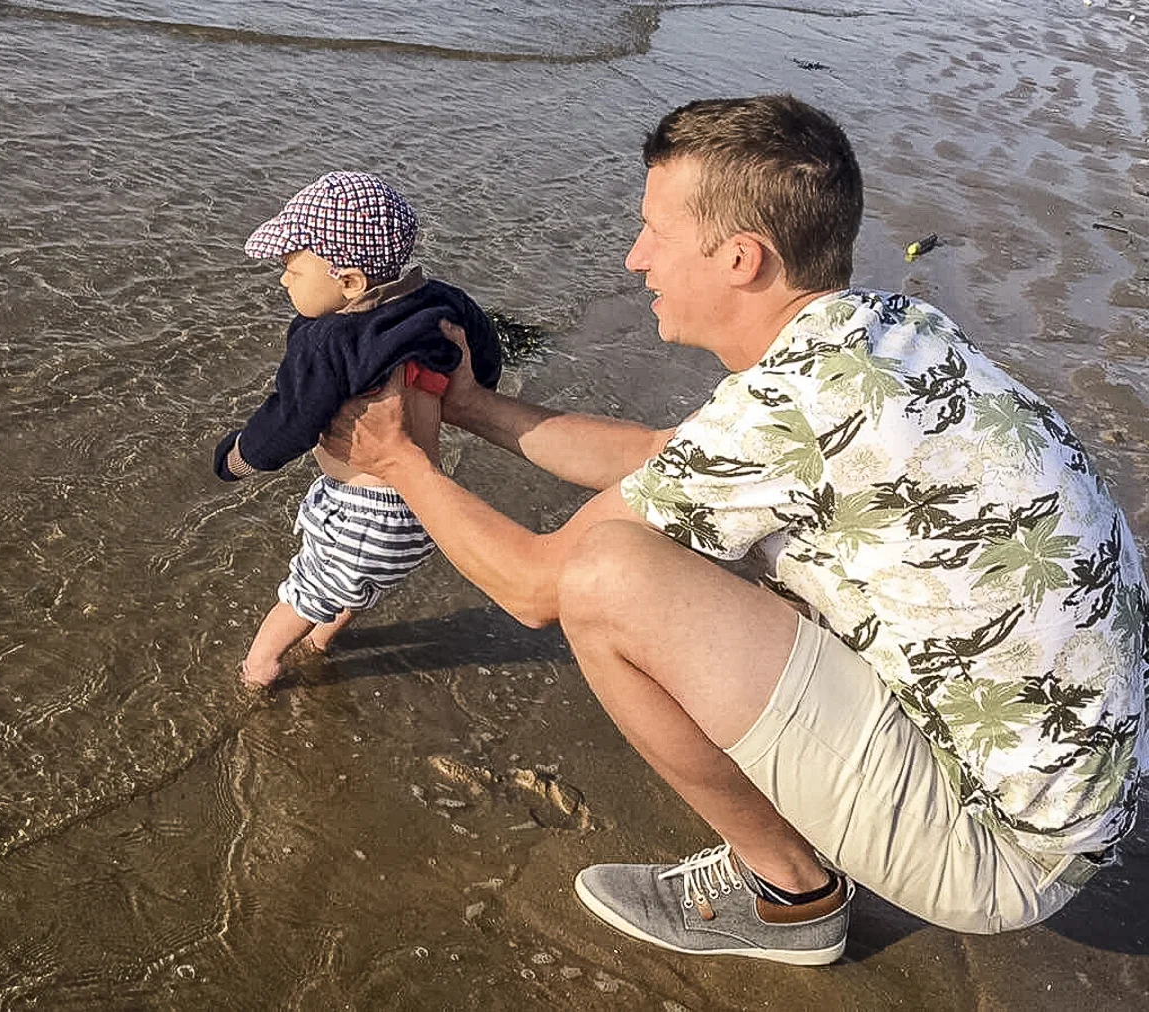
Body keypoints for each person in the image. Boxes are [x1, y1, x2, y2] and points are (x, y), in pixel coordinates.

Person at [319, 95, 1147, 964]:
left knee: (605, 580)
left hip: (1006, 852)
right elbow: (665, 459)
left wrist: (400, 463)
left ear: (742, 258)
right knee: (695, 537)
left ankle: (788, 895)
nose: (636, 257)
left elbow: (535, 588)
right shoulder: (884, 336)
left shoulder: (791, 407)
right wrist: (475, 408)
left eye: (654, 232)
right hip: (1083, 784)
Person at [214, 171, 503, 689]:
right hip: (425, 506)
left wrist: (240, 458)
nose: (283, 281)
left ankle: (258, 672)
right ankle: (320, 643)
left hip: (364, 511)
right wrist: (470, 395)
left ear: (349, 283)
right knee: (347, 584)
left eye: (292, 269)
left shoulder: (327, 340)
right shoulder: (442, 303)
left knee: (302, 595)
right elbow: (483, 355)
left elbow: (291, 420)